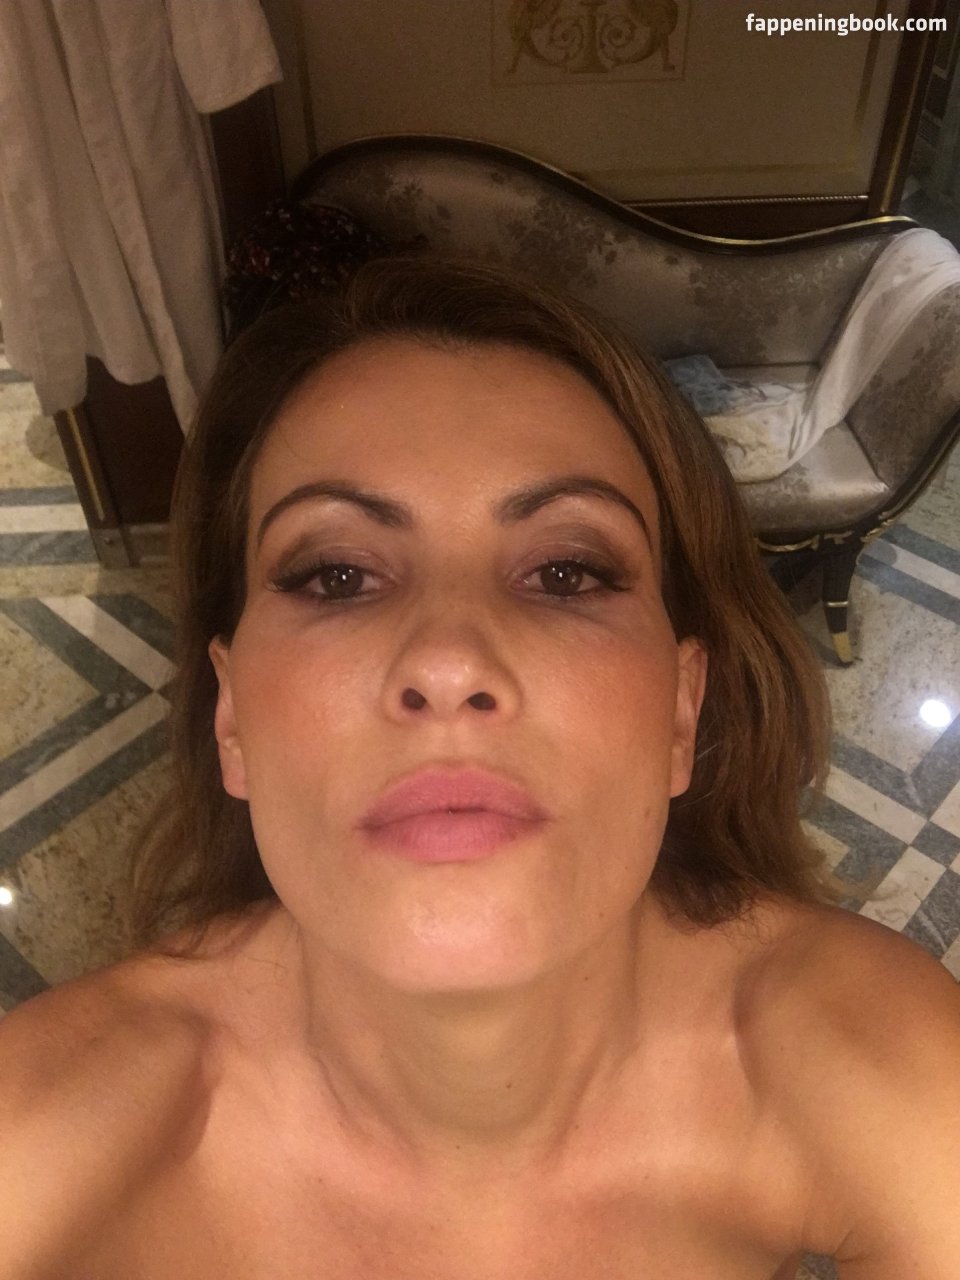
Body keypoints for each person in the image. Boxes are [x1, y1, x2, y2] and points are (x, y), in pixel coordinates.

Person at [2, 257, 958, 1279]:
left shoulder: (881, 1060)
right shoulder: (43, 1135)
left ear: (682, 711)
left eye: (566, 572)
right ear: (230, 718)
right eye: (337, 575)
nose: (449, 663)